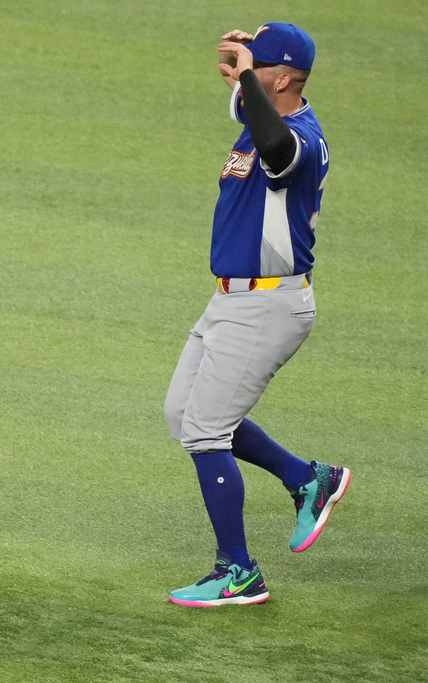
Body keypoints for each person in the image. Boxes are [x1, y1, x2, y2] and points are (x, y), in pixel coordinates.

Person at [163, 23, 350, 607]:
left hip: (268, 303)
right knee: (182, 414)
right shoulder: (259, 113)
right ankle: (307, 479)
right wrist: (247, 73)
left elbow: (275, 146)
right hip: (231, 298)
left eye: (257, 64)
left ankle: (238, 571)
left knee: (206, 429)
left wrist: (250, 77)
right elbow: (252, 113)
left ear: (285, 79)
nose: (241, 70)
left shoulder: (299, 139)